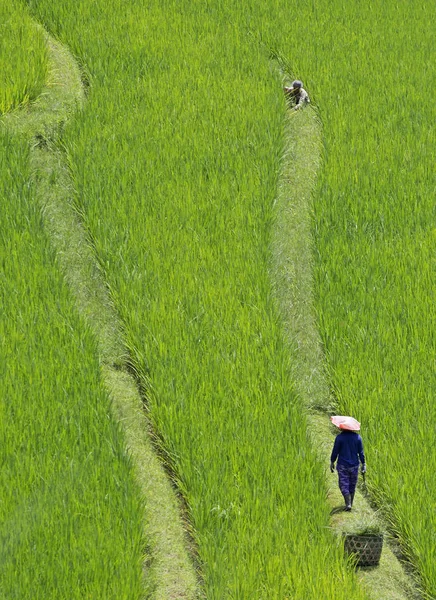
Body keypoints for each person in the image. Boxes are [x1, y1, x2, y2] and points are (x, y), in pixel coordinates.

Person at [330, 428, 366, 511]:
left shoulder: (339, 438)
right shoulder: (358, 438)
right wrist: (363, 464)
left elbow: (335, 451)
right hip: (354, 465)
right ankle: (350, 504)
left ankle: (348, 504)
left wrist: (332, 461)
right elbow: (361, 452)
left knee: (343, 485)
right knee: (352, 485)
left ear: (342, 428)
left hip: (343, 465)